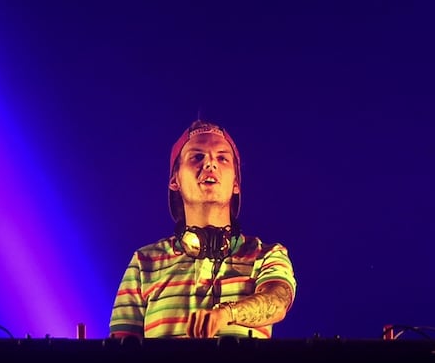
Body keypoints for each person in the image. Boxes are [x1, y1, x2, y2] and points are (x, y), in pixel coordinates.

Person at [109, 119, 296, 339]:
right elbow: (119, 359)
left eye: (222, 158)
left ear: (236, 183)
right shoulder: (143, 263)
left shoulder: (266, 255)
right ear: (174, 179)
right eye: (197, 156)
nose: (210, 164)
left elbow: (278, 300)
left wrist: (226, 314)